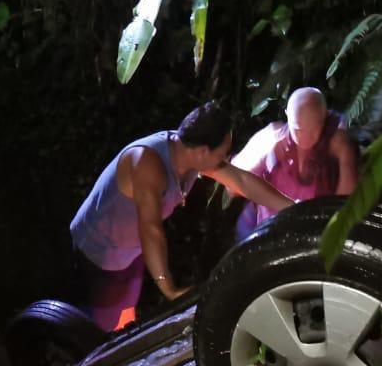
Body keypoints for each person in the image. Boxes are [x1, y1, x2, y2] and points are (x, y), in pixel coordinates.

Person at [70, 101, 295, 332]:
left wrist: (293, 207)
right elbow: (150, 229)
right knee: (104, 328)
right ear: (203, 151)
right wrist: (169, 289)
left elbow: (242, 181)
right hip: (100, 252)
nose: (225, 158)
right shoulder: (147, 165)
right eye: (222, 153)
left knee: (125, 317)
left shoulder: (188, 154)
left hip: (131, 251)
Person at [232, 87, 359, 240]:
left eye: (314, 129)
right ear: (288, 115)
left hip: (312, 234)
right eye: (298, 129)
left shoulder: (338, 144)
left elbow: (344, 206)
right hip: (266, 231)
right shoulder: (272, 138)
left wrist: (345, 154)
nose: (306, 137)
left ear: (324, 118)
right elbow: (234, 180)